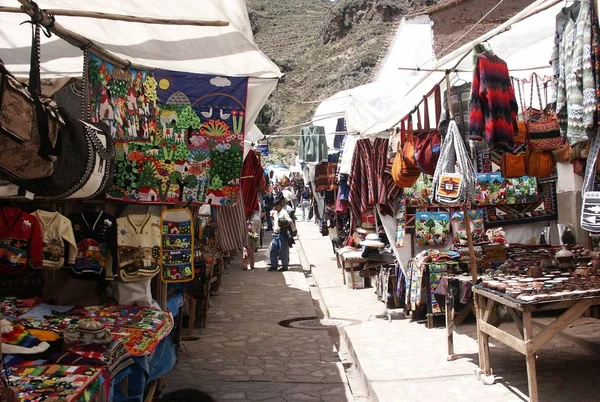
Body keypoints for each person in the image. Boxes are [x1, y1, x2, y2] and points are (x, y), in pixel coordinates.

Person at [269, 192, 295, 272]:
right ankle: (274, 265)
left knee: (283, 250)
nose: (275, 207)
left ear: (280, 205)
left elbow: (289, 221)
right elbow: (277, 221)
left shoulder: (284, 212)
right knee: (273, 249)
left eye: (276, 206)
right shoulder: (276, 212)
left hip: (282, 234)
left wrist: (281, 227)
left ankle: (284, 266)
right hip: (276, 234)